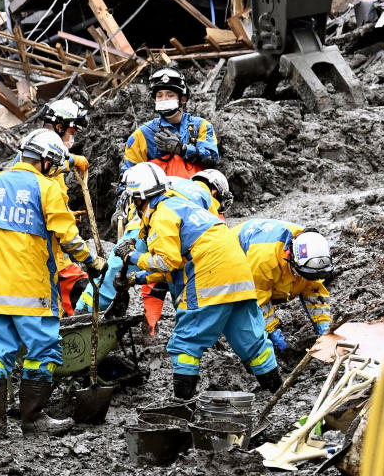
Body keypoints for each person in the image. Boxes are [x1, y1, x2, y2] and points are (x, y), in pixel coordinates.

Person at [0, 128, 106, 438]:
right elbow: (68, 236)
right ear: (47, 162)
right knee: (43, 349)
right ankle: (33, 420)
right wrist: (91, 262)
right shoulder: (47, 189)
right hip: (30, 290)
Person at [113, 163, 282, 399]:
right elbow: (177, 263)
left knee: (185, 343)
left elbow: (165, 262)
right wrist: (136, 278)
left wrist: (131, 256)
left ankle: (181, 405)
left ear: (138, 196)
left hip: (209, 275)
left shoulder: (162, 214)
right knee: (250, 339)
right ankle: (276, 393)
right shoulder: (181, 205)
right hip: (238, 273)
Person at [78, 169, 233, 327]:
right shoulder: (205, 196)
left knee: (110, 276)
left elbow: (135, 200)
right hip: (170, 235)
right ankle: (190, 326)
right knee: (182, 284)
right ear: (215, 192)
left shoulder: (170, 181)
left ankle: (82, 313)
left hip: (137, 229)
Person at [233, 219, 333, 351]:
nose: (310, 279)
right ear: (290, 258)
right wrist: (275, 335)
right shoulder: (265, 262)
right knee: (245, 309)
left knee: (303, 283)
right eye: (305, 274)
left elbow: (314, 289)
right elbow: (259, 299)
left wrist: (324, 326)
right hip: (233, 257)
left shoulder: (310, 245)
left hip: (267, 255)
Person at [37, 98, 91, 316]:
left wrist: (66, 214)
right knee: (64, 299)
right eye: (72, 130)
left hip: (56, 250)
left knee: (77, 289)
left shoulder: (48, 156)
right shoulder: (40, 156)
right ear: (59, 126)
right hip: (45, 251)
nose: (73, 137)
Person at [120, 67, 218, 184]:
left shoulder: (201, 126)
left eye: (170, 95)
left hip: (195, 195)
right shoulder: (143, 134)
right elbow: (129, 176)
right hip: (158, 198)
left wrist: (183, 149)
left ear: (183, 98)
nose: (163, 99)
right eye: (159, 95)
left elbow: (211, 160)